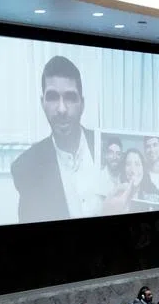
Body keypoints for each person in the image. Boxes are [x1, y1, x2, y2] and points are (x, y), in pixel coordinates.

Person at [10, 56, 104, 224]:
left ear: (82, 104)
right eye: (52, 97)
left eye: (70, 97)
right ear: (42, 103)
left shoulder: (108, 147)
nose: (61, 109)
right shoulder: (26, 167)